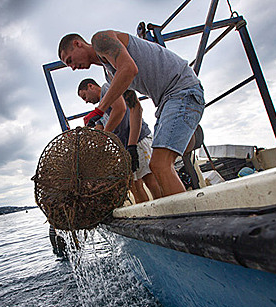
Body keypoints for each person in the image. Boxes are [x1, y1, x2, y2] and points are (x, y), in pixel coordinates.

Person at [59, 31, 204, 197]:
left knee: (159, 165)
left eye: (69, 60)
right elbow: (135, 109)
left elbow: (129, 69)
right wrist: (132, 146)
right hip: (165, 103)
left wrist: (99, 110)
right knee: (159, 165)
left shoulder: (99, 39)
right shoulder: (111, 73)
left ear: (78, 43)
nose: (72, 67)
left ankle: (186, 220)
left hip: (182, 90)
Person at [77, 78, 161, 202]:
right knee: (133, 184)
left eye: (84, 96)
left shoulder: (107, 89)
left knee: (149, 178)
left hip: (139, 140)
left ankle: (164, 209)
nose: (86, 101)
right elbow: (99, 130)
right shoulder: (100, 111)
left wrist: (105, 135)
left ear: (91, 86)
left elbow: (120, 109)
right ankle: (147, 214)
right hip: (125, 148)